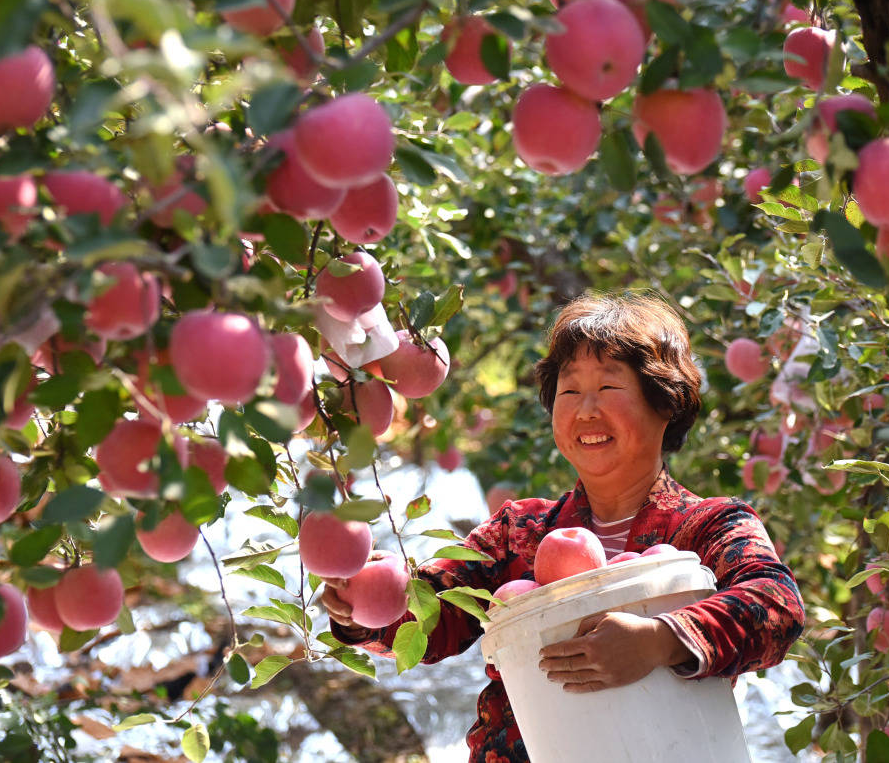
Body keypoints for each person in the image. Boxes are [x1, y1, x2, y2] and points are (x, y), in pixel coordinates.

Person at [322, 291, 805, 762]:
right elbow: (437, 616)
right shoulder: (521, 530)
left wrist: (661, 638)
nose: (585, 410)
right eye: (569, 391)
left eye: (609, 388)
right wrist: (364, 602)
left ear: (666, 404)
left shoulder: (709, 527)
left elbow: (776, 605)